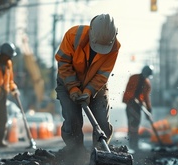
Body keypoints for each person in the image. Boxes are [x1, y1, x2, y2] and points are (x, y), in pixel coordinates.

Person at [55, 14, 120, 154]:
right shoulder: (73, 36)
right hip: (67, 81)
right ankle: (75, 154)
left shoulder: (114, 47)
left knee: (102, 122)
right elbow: (63, 63)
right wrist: (72, 87)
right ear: (90, 32)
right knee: (73, 120)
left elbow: (102, 75)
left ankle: (100, 153)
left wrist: (89, 92)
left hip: (97, 85)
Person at [122, 65, 153, 150]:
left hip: (138, 106)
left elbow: (146, 97)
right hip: (130, 104)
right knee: (132, 123)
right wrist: (131, 98)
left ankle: (134, 143)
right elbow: (129, 89)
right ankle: (132, 143)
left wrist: (149, 108)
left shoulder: (147, 84)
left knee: (136, 123)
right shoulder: (133, 78)